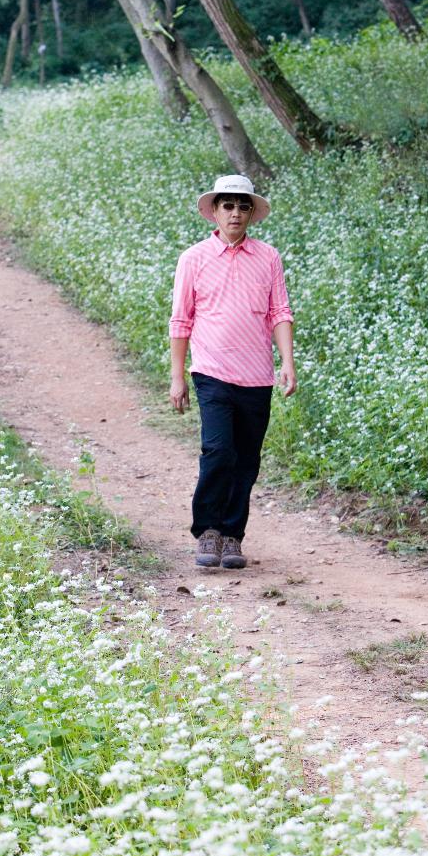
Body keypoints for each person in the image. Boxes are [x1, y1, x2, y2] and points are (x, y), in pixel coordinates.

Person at [169, 174, 296, 569]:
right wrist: (177, 376)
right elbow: (181, 320)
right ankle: (207, 531)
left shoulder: (268, 257)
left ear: (251, 213)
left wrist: (287, 363)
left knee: (246, 460)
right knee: (218, 451)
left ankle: (232, 535)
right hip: (211, 371)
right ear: (215, 211)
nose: (235, 213)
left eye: (243, 206)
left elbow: (280, 312)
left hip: (257, 374)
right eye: (228, 205)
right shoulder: (193, 258)